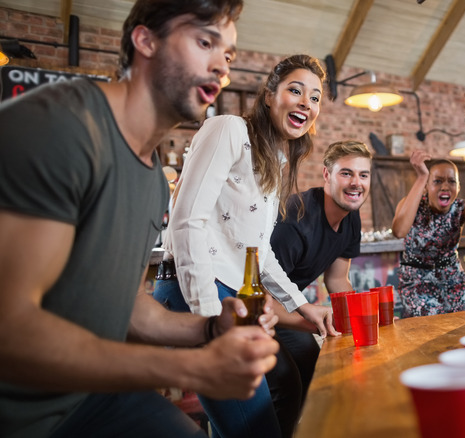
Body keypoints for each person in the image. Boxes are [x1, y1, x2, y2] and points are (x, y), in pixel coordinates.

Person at [0, 1, 284, 437]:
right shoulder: (59, 128)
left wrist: (211, 326)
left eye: (227, 55)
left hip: (90, 395)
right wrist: (192, 366)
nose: (220, 68)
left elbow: (128, 307)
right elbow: (11, 332)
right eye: (204, 42)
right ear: (145, 40)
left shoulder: (152, 178)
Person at [153, 54, 337, 438]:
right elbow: (187, 220)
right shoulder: (228, 129)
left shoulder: (275, 161)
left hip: (235, 298)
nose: (307, 103)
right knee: (255, 427)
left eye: (316, 97)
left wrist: (303, 306)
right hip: (197, 292)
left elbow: (260, 251)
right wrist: (209, 323)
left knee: (283, 387)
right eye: (296, 90)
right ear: (270, 95)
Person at [268, 140, 373, 436]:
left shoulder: (351, 218)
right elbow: (260, 295)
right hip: (255, 306)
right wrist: (316, 319)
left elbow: (338, 280)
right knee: (286, 381)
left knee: (318, 371)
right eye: (346, 174)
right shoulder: (295, 219)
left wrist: (356, 321)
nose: (356, 183)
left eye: (363, 175)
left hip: (288, 304)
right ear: (327, 175)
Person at [391, 150, 465, 317]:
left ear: (458, 187)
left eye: (451, 181)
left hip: (453, 279)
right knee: (429, 332)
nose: (445, 186)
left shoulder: (462, 207)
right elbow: (399, 231)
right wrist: (421, 177)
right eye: (437, 181)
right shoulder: (413, 202)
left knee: (459, 328)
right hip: (416, 281)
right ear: (426, 186)